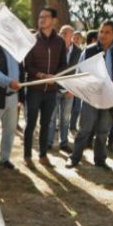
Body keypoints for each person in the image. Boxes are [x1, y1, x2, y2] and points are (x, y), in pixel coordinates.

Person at [66, 20, 113, 170]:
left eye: (107, 32)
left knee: (103, 131)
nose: (103, 35)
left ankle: (100, 160)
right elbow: (79, 72)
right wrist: (76, 90)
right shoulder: (88, 50)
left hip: (110, 98)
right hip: (91, 97)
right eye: (101, 31)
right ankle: (74, 158)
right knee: (84, 129)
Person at [23, 7, 67, 166]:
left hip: (51, 92)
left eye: (45, 17)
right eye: (40, 17)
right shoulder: (32, 40)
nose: (41, 19)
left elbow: (64, 64)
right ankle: (27, 156)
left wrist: (56, 77)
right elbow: (27, 66)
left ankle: (43, 155)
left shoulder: (60, 41)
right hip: (34, 90)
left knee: (46, 124)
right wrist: (42, 76)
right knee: (31, 124)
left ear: (53, 20)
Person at [47, 24, 82, 153]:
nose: (61, 35)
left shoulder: (79, 52)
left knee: (65, 119)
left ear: (71, 36)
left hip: (69, 91)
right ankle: (49, 142)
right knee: (51, 118)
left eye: (63, 33)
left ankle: (64, 143)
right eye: (60, 33)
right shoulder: (55, 49)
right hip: (54, 89)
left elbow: (79, 73)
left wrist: (72, 89)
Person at [69, 30, 99, 133]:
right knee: (76, 108)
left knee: (78, 108)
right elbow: (79, 69)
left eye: (79, 38)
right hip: (80, 84)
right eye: (75, 37)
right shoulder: (86, 52)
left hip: (92, 87)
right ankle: (73, 126)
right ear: (94, 39)